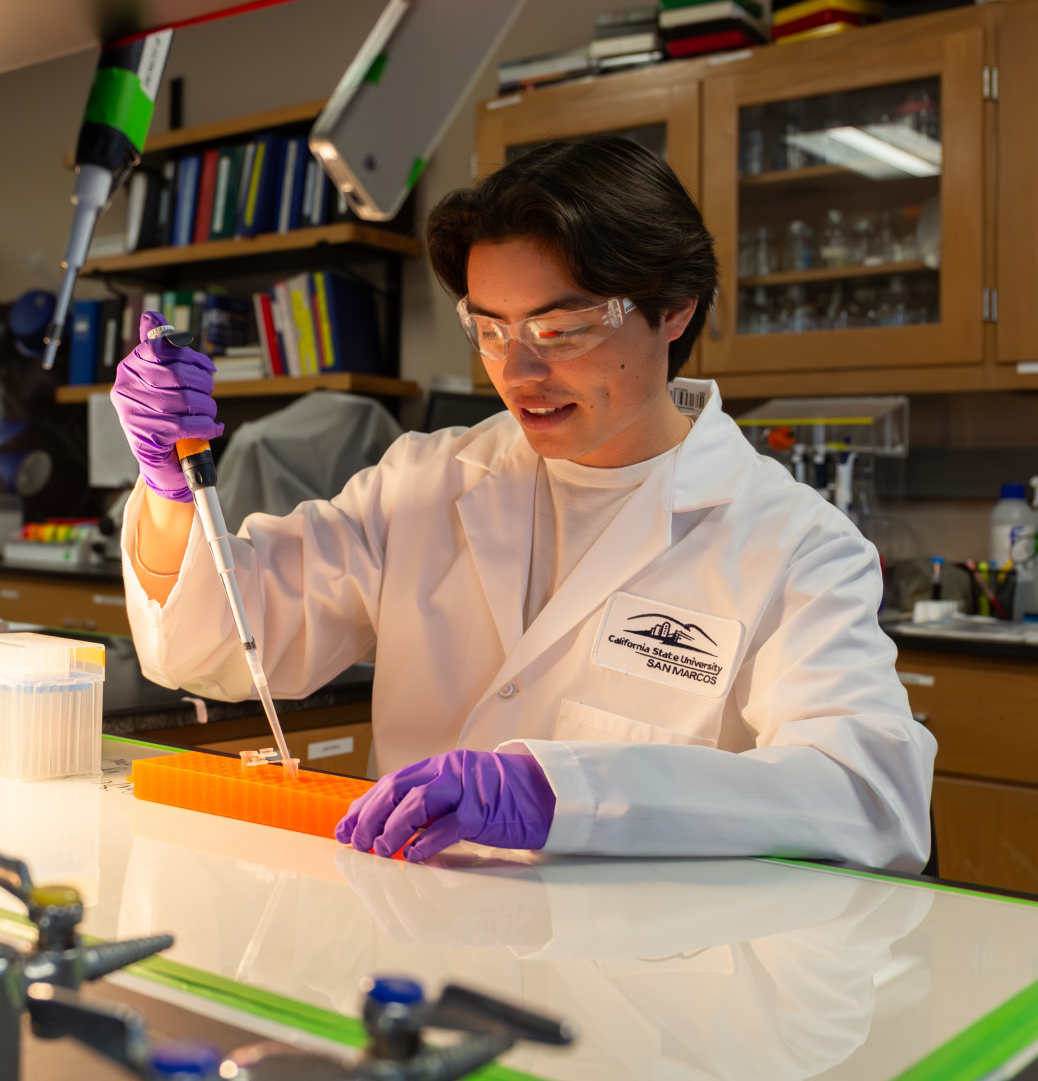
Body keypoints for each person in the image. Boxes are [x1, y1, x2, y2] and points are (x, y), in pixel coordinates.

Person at [110, 136, 935, 871]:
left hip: (637, 993)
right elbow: (216, 648)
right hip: (408, 944)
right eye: (492, 328)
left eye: (562, 328)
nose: (518, 372)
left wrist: (562, 793)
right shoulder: (425, 482)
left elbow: (870, 795)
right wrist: (170, 489)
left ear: (674, 308)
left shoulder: (791, 545)